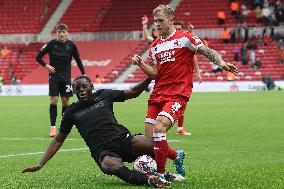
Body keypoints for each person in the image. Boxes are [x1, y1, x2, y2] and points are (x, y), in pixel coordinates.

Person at [132, 4, 238, 179]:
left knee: (159, 128)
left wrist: (222, 63)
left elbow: (206, 51)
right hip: (157, 94)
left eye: (160, 21)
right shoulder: (156, 46)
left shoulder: (185, 38)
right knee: (149, 141)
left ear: (171, 20)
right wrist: (141, 64)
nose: (157, 25)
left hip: (177, 93)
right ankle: (176, 155)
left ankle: (160, 175)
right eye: (155, 21)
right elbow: (155, 74)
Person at [21, 76, 170, 188]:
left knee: (155, 145)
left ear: (91, 87)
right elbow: (58, 140)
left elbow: (133, 92)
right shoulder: (71, 112)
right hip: (103, 151)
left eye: (84, 87)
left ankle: (170, 165)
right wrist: (41, 163)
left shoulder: (104, 95)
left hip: (123, 140)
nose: (81, 91)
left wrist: (149, 77)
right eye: (77, 89)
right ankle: (149, 179)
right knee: (110, 166)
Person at [142, 15, 201, 136]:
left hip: (180, 83)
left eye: (180, 29)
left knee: (175, 110)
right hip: (163, 85)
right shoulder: (159, 42)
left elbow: (193, 53)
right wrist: (144, 25)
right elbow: (148, 38)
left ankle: (180, 127)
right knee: (154, 130)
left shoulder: (183, 40)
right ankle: (173, 150)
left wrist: (198, 72)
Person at [36, 23, 86, 137]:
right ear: (56, 33)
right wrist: (47, 66)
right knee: (53, 100)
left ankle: (64, 127)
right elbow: (38, 57)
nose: (61, 34)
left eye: (63, 32)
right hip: (54, 78)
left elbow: (78, 60)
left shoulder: (71, 45)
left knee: (65, 102)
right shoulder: (51, 44)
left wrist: (84, 73)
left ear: (67, 33)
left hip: (66, 78)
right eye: (59, 32)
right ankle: (53, 127)